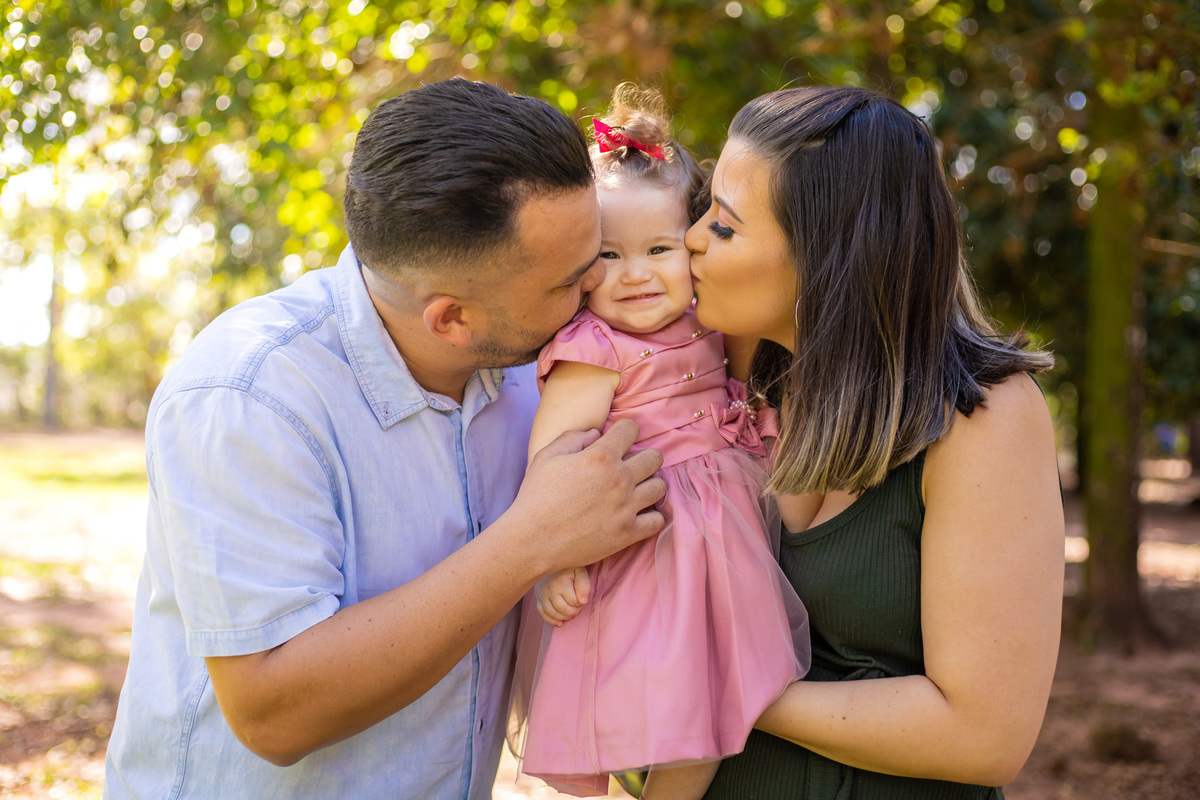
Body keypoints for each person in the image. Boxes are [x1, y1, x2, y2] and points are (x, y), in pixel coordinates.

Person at [102, 78, 669, 800]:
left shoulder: (547, 370)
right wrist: (532, 540)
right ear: (451, 319)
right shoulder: (248, 396)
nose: (597, 289)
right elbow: (272, 712)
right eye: (570, 280)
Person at [685, 85, 1065, 799]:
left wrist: (724, 685)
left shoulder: (984, 417)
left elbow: (982, 737)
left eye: (726, 227)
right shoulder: (728, 372)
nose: (693, 238)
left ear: (827, 259)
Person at [507, 85, 810, 800]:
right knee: (675, 709)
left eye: (658, 249)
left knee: (720, 706)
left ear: (693, 245)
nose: (636, 273)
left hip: (725, 534)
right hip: (652, 544)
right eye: (607, 255)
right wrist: (554, 559)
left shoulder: (714, 319)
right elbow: (551, 460)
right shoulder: (593, 348)